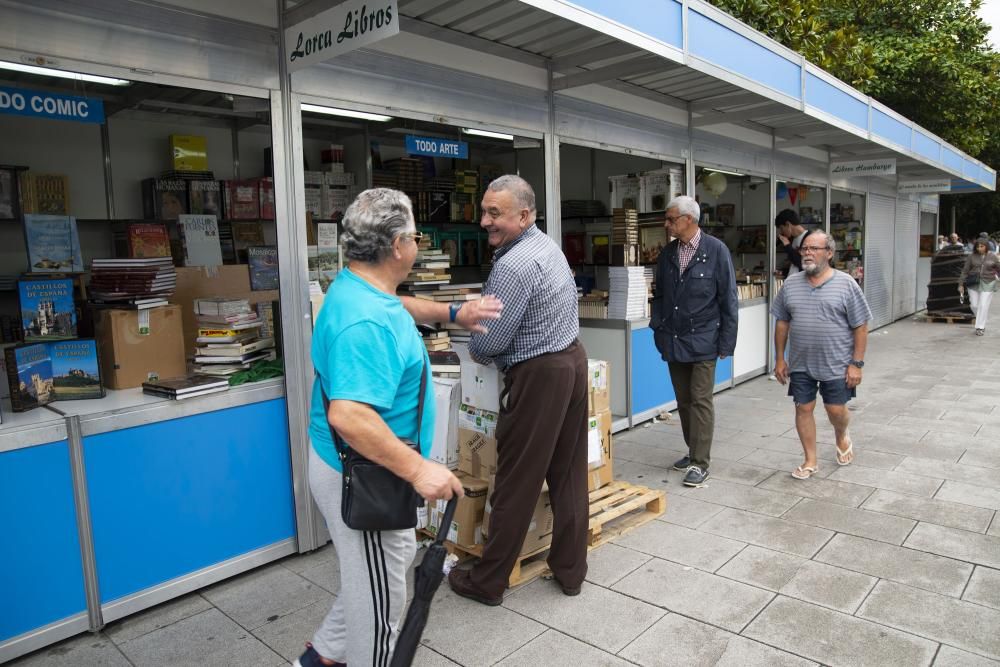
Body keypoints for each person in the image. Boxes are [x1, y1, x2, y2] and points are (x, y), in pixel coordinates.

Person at [300, 188, 500, 667]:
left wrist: (454, 313)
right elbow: (349, 415)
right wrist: (418, 470)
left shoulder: (359, 287)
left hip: (365, 465)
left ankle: (319, 659)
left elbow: (398, 307)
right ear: (396, 247)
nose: (418, 242)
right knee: (381, 608)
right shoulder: (364, 322)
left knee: (371, 575)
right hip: (365, 473)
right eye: (415, 235)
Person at [447, 174, 590, 606]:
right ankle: (570, 570)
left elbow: (489, 342)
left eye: (496, 213)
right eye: (484, 211)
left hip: (539, 375)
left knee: (515, 479)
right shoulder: (546, 246)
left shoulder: (512, 266)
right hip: (571, 360)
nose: (485, 221)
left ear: (524, 215)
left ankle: (488, 580)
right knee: (567, 474)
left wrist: (473, 339)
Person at [651, 195, 738, 487]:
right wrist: (658, 329)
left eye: (671, 219)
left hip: (704, 340)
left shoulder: (716, 251)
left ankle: (701, 463)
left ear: (688, 219)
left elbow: (728, 299)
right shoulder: (668, 254)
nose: (667, 224)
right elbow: (660, 295)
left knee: (700, 401)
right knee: (684, 401)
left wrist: (726, 343)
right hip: (674, 340)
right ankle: (692, 451)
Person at [771, 232, 872, 479]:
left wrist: (856, 364)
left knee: (835, 410)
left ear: (829, 253)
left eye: (814, 248)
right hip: (801, 362)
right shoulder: (791, 284)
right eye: (805, 248)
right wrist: (780, 359)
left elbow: (860, 326)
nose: (807, 252)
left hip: (837, 363)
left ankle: (841, 434)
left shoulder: (846, 283)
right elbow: (782, 323)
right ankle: (810, 460)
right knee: (802, 408)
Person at [959, 237, 1000, 335]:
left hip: (988, 283)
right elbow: (965, 271)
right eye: (977, 247)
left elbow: (999, 268)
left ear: (986, 247)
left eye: (982, 246)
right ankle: (981, 319)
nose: (979, 248)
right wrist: (960, 284)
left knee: (983, 305)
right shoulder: (971, 256)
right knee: (974, 305)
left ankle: (980, 327)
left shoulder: (993, 256)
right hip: (973, 283)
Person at [775, 209, 812, 277]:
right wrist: (783, 272)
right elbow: (794, 265)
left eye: (781, 228)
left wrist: (787, 246)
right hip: (793, 283)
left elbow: (804, 263)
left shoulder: (810, 238)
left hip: (803, 284)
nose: (781, 232)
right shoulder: (792, 239)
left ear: (788, 224)